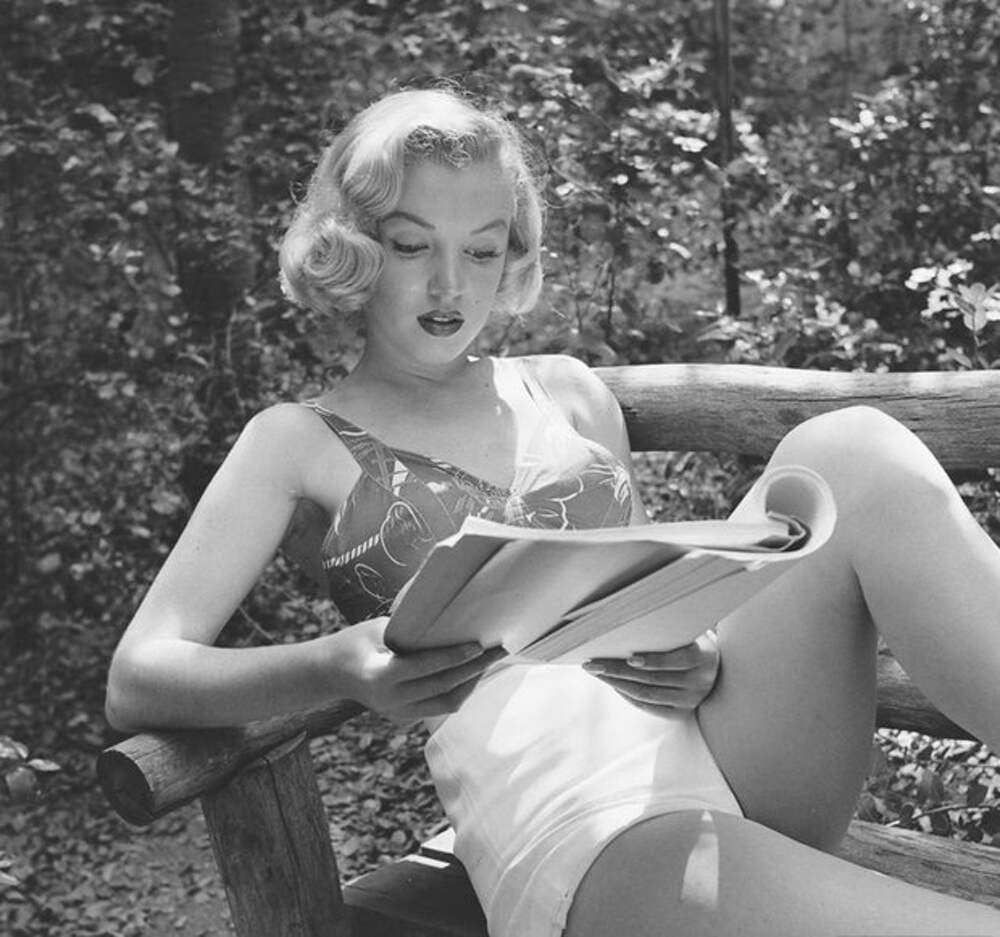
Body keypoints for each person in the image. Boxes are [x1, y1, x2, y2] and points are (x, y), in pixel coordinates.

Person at [105, 87, 1000, 937]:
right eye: (413, 246)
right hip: (587, 817)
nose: (451, 284)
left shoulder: (568, 392)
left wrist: (691, 653)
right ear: (358, 246)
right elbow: (139, 675)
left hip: (733, 745)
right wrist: (336, 664)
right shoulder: (294, 441)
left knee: (852, 449)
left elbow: (647, 596)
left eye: (482, 250)